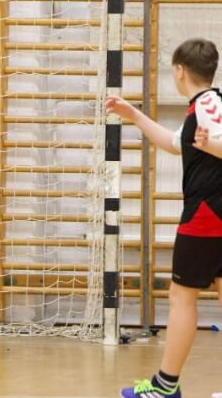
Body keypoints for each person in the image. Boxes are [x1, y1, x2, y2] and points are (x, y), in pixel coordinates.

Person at [107, 38, 222, 398]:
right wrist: (135, 115)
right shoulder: (207, 104)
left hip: (206, 217)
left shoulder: (207, 105)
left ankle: (165, 387)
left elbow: (211, 143)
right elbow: (176, 143)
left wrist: (212, 145)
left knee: (181, 298)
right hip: (214, 216)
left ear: (179, 71)